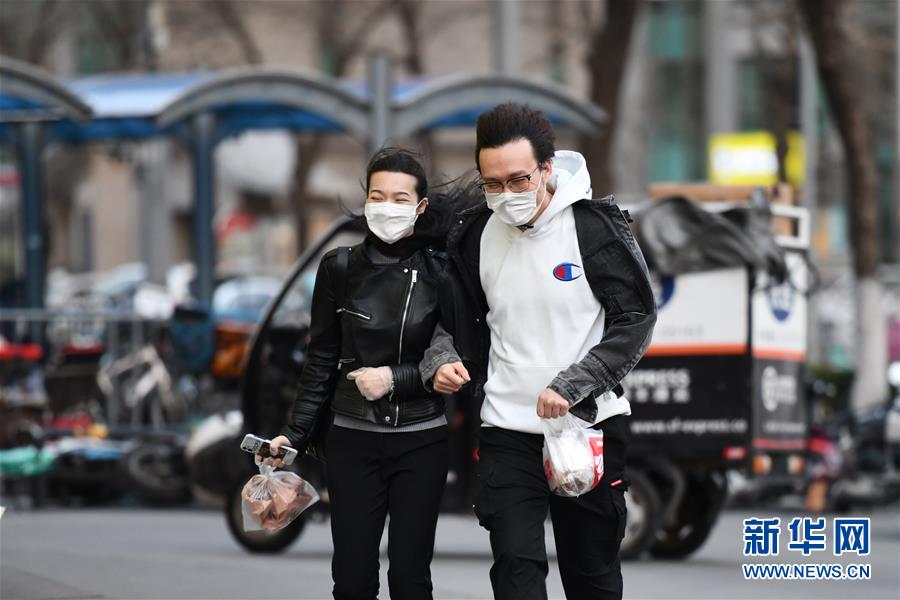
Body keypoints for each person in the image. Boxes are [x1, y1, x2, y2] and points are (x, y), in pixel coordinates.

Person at [427, 103, 657, 600]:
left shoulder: (595, 228)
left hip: (587, 427)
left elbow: (636, 318)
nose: (505, 194)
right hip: (507, 429)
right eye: (492, 183)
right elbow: (458, 321)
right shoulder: (475, 235)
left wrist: (574, 384)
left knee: (590, 572)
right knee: (515, 566)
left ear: (547, 168)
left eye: (518, 179)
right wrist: (442, 357)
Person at [266, 148, 467, 600]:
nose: (387, 206)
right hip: (351, 438)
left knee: (410, 579)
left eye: (400, 198)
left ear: (420, 207)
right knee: (353, 579)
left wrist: (395, 379)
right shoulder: (337, 267)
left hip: (422, 436)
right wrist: (292, 435)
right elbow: (320, 358)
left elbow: (458, 356)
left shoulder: (444, 272)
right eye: (378, 195)